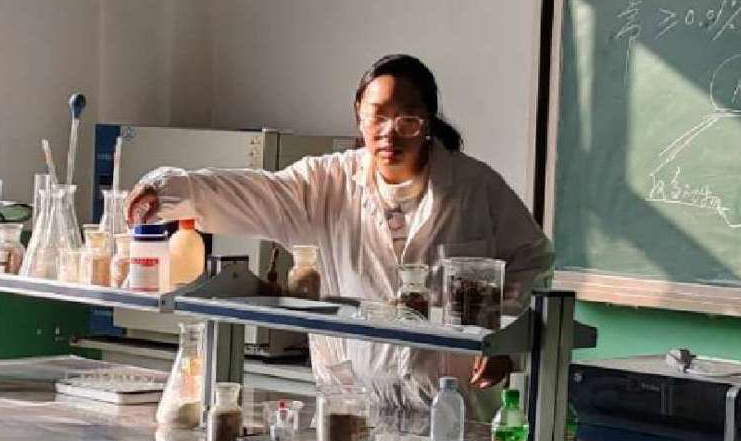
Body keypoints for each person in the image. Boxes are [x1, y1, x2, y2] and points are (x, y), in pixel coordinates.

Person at [125, 54, 552, 419]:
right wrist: (167, 190)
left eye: (406, 119)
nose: (389, 132)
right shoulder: (326, 184)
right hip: (352, 409)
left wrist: (503, 338)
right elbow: (250, 193)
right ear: (358, 116)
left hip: (454, 412)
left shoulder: (475, 187)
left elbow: (532, 258)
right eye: (377, 116)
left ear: (427, 122)